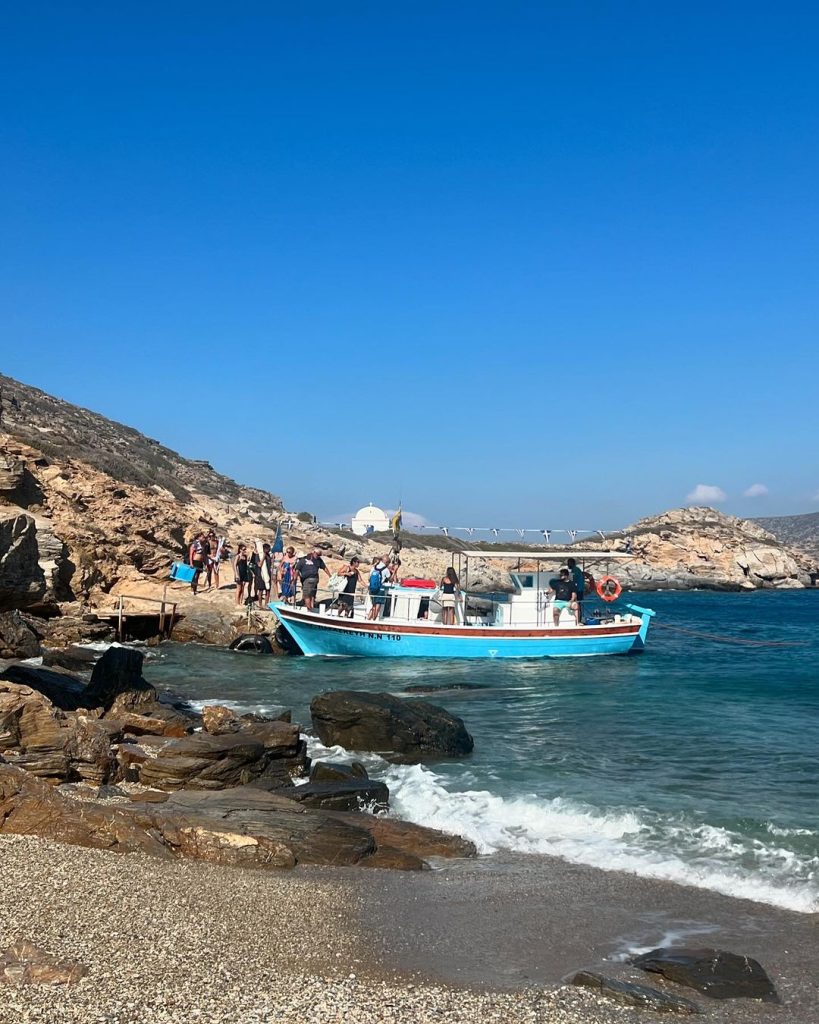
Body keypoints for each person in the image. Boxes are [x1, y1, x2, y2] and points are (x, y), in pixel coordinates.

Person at [295, 546, 330, 611]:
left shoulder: (318, 560)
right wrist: (295, 579)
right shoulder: (303, 560)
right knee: (309, 593)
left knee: (307, 594)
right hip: (307, 579)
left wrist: (330, 575)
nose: (318, 556)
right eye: (317, 554)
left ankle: (310, 609)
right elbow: (297, 571)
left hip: (312, 579)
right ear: (313, 553)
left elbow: (324, 567)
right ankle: (310, 607)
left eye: (319, 555)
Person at [566, 557, 585, 624]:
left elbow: (571, 581)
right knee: (579, 604)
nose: (568, 565)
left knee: (577, 604)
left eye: (568, 563)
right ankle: (579, 619)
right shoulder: (578, 569)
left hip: (577, 590)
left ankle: (578, 620)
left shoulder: (573, 571)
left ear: (572, 563)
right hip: (581, 589)